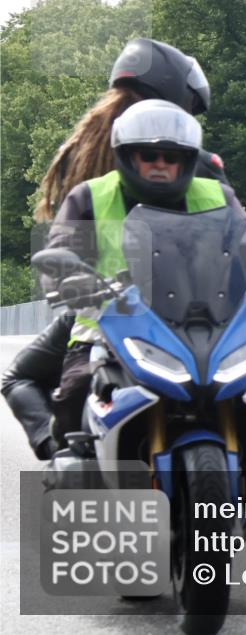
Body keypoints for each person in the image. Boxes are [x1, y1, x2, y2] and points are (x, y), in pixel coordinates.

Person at [3, 38, 227, 459]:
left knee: (18, 379)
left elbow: (70, 241)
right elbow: (235, 233)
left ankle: (64, 453)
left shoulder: (84, 153)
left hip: (105, 304)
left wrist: (77, 281)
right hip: (187, 308)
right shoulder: (192, 161)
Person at [43, 99, 246, 447]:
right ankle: (76, 469)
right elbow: (62, 247)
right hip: (108, 327)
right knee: (75, 394)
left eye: (171, 157)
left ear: (186, 160)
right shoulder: (90, 196)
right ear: (127, 156)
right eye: (149, 155)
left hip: (206, 326)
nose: (160, 164)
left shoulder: (216, 195)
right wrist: (68, 278)